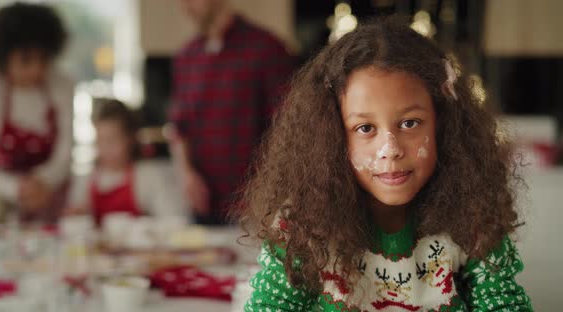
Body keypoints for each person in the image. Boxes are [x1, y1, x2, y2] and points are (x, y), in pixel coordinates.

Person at [237, 18, 533, 311]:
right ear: (331, 137)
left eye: (409, 123)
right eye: (365, 128)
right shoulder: (301, 225)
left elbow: (504, 305)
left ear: (444, 127)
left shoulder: (473, 217)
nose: (389, 149)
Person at [168, 0, 293, 225]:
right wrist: (185, 173)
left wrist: (270, 191)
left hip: (254, 207)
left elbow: (288, 129)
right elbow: (179, 128)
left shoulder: (265, 48)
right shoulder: (186, 56)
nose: (184, 6)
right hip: (203, 206)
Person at [0, 2, 73, 227]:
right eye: (25, 60)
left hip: (52, 188)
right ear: (3, 58)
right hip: (2, 188)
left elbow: (65, 153)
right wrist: (17, 188)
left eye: (43, 59)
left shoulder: (62, 85)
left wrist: (42, 182)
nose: (36, 69)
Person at [65, 99, 187, 226]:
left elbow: (175, 221)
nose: (106, 149)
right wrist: (77, 217)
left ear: (130, 139)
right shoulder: (86, 180)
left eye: (112, 140)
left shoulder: (149, 175)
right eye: (100, 140)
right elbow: (74, 219)